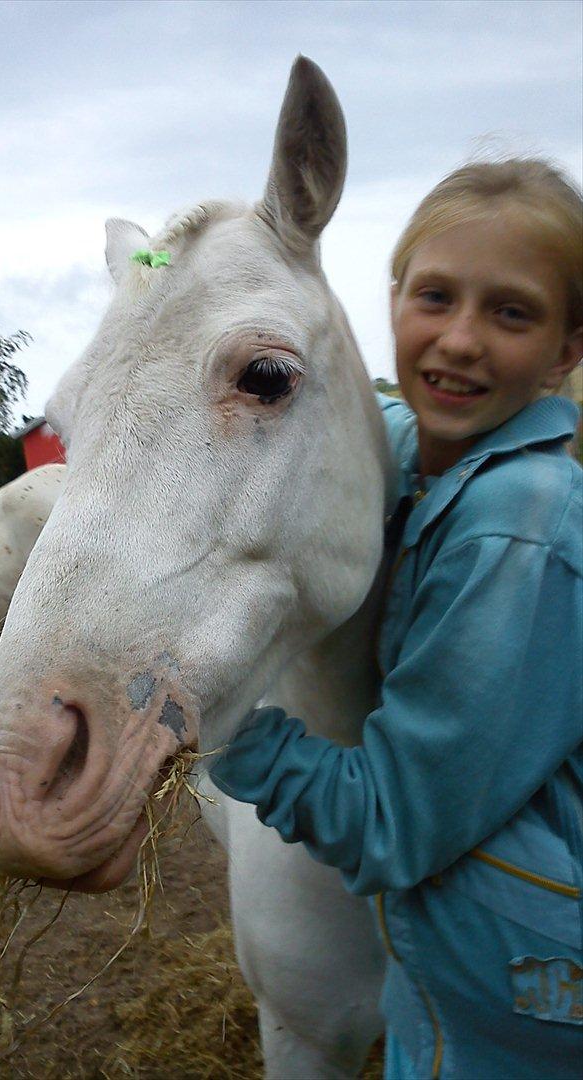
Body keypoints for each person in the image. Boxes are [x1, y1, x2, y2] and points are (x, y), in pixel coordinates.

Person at [210, 158, 583, 1079]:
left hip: (513, 993)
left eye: (511, 313)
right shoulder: (417, 451)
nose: (459, 340)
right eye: (435, 296)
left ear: (566, 350)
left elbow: (390, 821)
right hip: (449, 960)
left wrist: (218, 725)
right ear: (391, 300)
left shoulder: (520, 525)